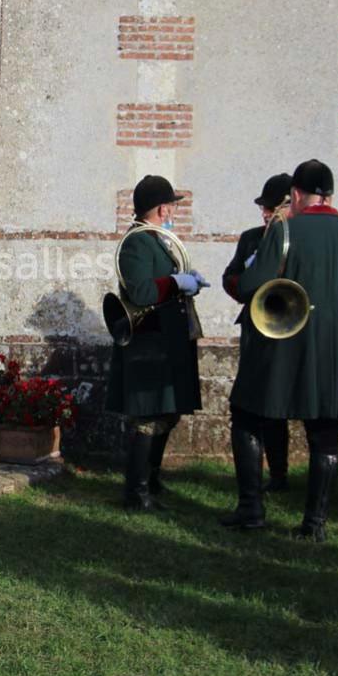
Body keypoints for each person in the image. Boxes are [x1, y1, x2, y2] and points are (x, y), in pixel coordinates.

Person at [225, 159, 338, 540]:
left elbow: (251, 285)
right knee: (325, 434)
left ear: (297, 195)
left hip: (280, 347)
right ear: (331, 195)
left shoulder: (284, 231)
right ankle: (314, 524)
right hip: (335, 353)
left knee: (247, 416)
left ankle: (252, 509)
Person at [106, 175, 208, 510]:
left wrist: (186, 280)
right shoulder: (137, 242)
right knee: (148, 417)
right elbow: (142, 292)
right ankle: (136, 492)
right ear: (162, 208)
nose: (173, 209)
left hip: (168, 338)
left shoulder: (159, 240)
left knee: (169, 412)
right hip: (149, 340)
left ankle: (151, 479)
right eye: (171, 204)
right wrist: (177, 283)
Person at [222, 172, 293, 495]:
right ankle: (270, 476)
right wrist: (244, 282)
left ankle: (279, 473)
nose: (265, 214)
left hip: (292, 326)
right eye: (263, 208)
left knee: (280, 405)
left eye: (271, 208)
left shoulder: (298, 236)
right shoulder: (252, 238)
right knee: (258, 403)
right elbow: (231, 277)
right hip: (256, 324)